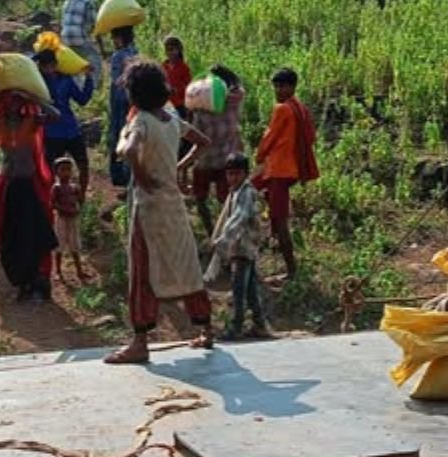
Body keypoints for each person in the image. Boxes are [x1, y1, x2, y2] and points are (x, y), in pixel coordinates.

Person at [105, 59, 213, 365]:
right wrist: (179, 167)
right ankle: (206, 329)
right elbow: (202, 142)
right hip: (173, 205)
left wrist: (141, 176)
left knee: (142, 271)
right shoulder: (171, 118)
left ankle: (140, 342)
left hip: (149, 208)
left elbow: (128, 151)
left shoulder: (141, 121)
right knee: (187, 266)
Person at [0, 88, 59, 302]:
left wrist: (34, 98)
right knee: (12, 236)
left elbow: (56, 115)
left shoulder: (32, 121)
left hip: (30, 185)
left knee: (35, 235)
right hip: (10, 187)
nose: (13, 104)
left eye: (17, 100)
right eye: (9, 99)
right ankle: (21, 283)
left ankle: (39, 284)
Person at [255, 67, 319, 280]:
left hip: (278, 170)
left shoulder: (282, 109)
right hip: (291, 170)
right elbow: (311, 137)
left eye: (281, 86)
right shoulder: (301, 108)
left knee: (280, 219)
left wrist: (259, 155)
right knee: (272, 211)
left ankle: (291, 270)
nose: (278, 90)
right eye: (276, 86)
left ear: (292, 87)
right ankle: (274, 246)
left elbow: (269, 137)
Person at [206, 153, 269, 340]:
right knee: (249, 290)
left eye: (237, 174)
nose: (232, 178)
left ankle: (236, 327)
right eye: (229, 174)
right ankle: (260, 324)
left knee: (238, 289)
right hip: (240, 246)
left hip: (243, 246)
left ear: (245, 174)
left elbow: (239, 219)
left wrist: (222, 241)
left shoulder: (246, 193)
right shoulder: (236, 192)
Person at [190, 64, 245, 235]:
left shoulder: (200, 109)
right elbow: (239, 88)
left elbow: (195, 136)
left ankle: (211, 232)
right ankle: (226, 233)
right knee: (226, 200)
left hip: (204, 160)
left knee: (200, 198)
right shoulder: (234, 102)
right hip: (226, 160)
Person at [37, 49, 94, 196]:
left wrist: (89, 78)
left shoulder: (66, 80)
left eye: (49, 66)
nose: (47, 69)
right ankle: (51, 201)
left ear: (55, 65)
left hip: (71, 129)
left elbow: (82, 99)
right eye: (43, 66)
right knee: (50, 171)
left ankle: (80, 199)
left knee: (83, 165)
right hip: (52, 132)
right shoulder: (38, 83)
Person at [107, 25, 139, 187]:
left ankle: (119, 175)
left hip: (119, 101)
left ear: (120, 38)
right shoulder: (136, 52)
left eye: (115, 38)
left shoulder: (118, 56)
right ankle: (130, 174)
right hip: (133, 99)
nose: (113, 41)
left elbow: (115, 80)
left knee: (118, 134)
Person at [51, 157, 88, 283]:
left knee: (75, 245)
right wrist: (65, 209)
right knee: (59, 245)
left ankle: (79, 271)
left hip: (73, 219)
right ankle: (58, 271)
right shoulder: (56, 187)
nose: (66, 173)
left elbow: (80, 200)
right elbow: (53, 203)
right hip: (61, 219)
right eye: (63, 170)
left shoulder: (74, 187)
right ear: (56, 172)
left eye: (68, 169)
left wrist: (78, 203)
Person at [161, 36, 192, 160]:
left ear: (179, 50)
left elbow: (188, 87)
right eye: (167, 49)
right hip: (165, 105)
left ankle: (180, 161)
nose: (170, 52)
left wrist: (177, 90)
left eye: (172, 49)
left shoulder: (184, 67)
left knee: (180, 136)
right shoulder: (164, 66)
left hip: (179, 106)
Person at [60, 0, 104, 81]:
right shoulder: (88, 3)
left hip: (65, 39)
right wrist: (102, 49)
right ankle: (93, 85)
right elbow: (96, 27)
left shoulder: (68, 2)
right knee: (95, 61)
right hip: (79, 38)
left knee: (75, 64)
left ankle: (76, 84)